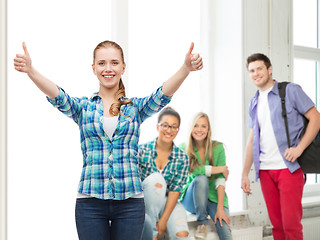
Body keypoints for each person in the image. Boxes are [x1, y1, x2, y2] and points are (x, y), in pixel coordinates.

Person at [13, 40, 203, 240]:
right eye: (102, 63)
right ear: (93, 68)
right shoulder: (83, 108)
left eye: (114, 62)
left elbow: (162, 95)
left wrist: (185, 69)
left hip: (130, 203)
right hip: (90, 204)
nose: (108, 68)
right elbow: (59, 96)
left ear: (123, 67)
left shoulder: (135, 108)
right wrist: (31, 71)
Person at [241, 53, 320, 240]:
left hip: (289, 168)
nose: (256, 74)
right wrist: (245, 173)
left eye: (259, 68)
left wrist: (299, 148)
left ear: (269, 69)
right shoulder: (253, 102)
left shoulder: (290, 91)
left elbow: (316, 119)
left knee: (291, 226)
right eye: (252, 71)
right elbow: (252, 140)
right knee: (277, 226)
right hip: (265, 171)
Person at [138, 107, 190, 240]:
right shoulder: (142, 150)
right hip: (144, 201)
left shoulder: (182, 158)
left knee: (182, 235)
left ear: (178, 130)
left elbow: (175, 191)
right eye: (165, 125)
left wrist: (163, 220)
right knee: (157, 180)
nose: (169, 130)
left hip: (168, 202)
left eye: (174, 127)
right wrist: (154, 230)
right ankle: (153, 235)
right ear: (157, 127)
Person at [179, 112, 232, 240]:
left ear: (208, 129)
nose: (199, 130)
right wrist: (221, 168)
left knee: (224, 227)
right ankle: (202, 223)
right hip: (191, 198)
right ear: (191, 128)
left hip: (213, 197)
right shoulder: (183, 148)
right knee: (201, 179)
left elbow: (220, 179)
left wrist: (220, 208)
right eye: (196, 126)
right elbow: (194, 170)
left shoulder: (218, 147)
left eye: (203, 126)